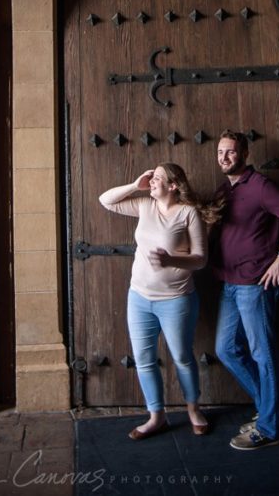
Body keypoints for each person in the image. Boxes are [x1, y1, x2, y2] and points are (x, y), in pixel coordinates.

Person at [99, 163, 220, 440]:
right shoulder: (144, 204)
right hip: (139, 298)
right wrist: (134, 184)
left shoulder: (188, 213)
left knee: (182, 357)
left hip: (176, 300)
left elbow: (201, 259)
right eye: (151, 177)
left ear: (174, 185)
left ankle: (193, 410)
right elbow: (105, 201)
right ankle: (157, 417)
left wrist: (170, 259)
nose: (152, 180)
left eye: (157, 177)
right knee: (144, 359)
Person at [212, 129, 279, 450]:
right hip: (229, 282)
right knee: (226, 349)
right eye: (221, 152)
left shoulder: (261, 186)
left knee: (262, 354)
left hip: (255, 285)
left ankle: (269, 428)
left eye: (231, 152)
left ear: (244, 154)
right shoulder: (224, 190)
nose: (225, 157)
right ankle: (273, 412)